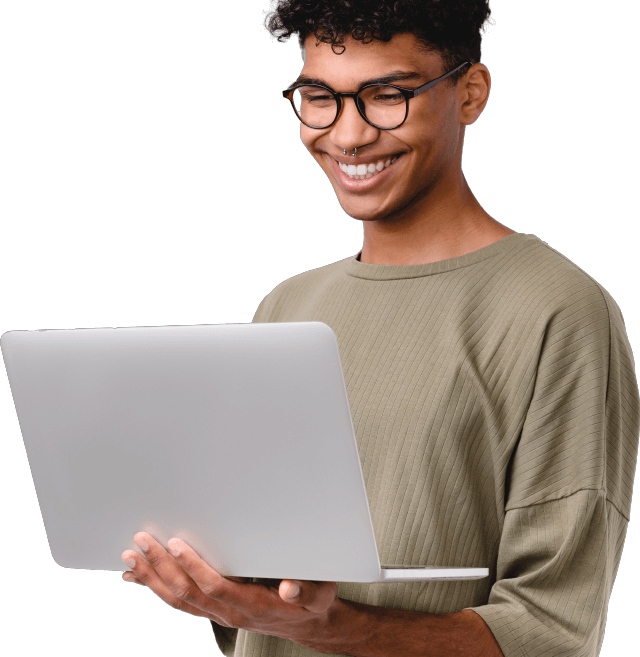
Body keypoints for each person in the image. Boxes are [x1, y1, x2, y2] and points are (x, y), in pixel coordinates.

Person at [121, 2, 639, 655]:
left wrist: (328, 626)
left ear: (471, 93)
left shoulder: (558, 309)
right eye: (319, 98)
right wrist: (219, 592)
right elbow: (267, 595)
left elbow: (553, 631)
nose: (348, 135)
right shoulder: (287, 306)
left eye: (386, 95)